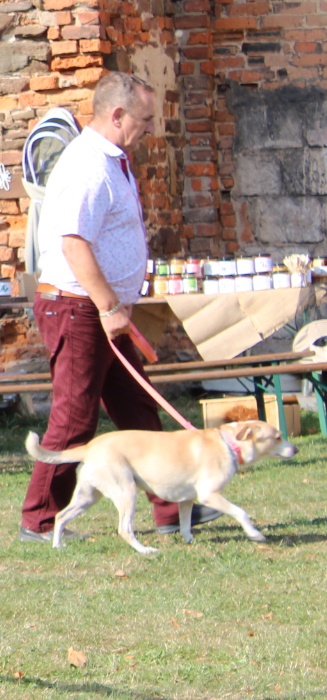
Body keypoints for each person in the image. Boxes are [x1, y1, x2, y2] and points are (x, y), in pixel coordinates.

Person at [19, 71, 211, 542]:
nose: (149, 129)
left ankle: (171, 508)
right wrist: (108, 305)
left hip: (102, 307)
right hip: (78, 307)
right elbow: (74, 244)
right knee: (75, 416)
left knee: (138, 409)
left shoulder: (113, 160)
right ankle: (40, 519)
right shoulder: (88, 163)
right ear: (117, 114)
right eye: (144, 119)